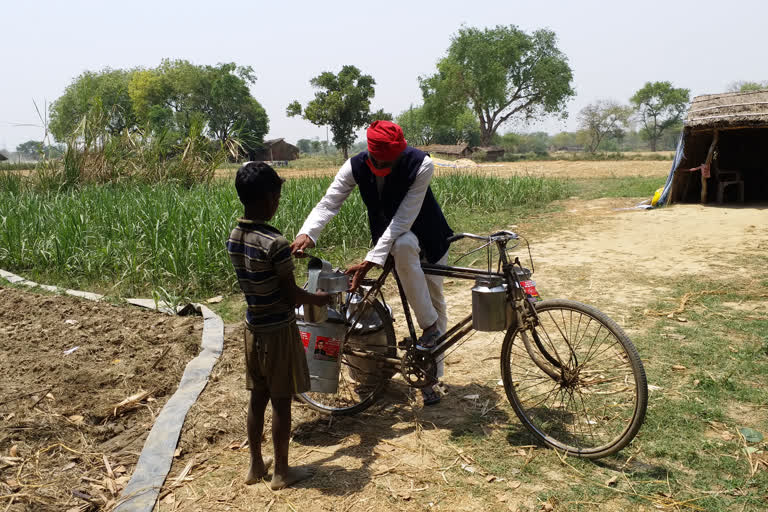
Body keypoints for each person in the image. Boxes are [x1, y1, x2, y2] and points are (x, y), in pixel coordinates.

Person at [290, 120, 453, 405]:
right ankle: (427, 338)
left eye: (394, 160)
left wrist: (370, 259)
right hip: (394, 243)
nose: (389, 165)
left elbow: (404, 218)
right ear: (371, 153)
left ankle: (433, 376)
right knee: (404, 255)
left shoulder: (421, 164)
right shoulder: (355, 166)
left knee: (434, 300)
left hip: (430, 237)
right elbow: (330, 202)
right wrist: (308, 232)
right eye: (383, 161)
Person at [227, 162, 330, 489]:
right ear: (270, 198)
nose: (278, 202)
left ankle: (256, 465)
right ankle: (283, 471)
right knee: (282, 400)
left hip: (253, 327)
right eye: (278, 196)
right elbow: (290, 296)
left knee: (258, 396)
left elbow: (262, 275)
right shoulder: (274, 242)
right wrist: (318, 299)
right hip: (278, 331)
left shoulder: (235, 236)